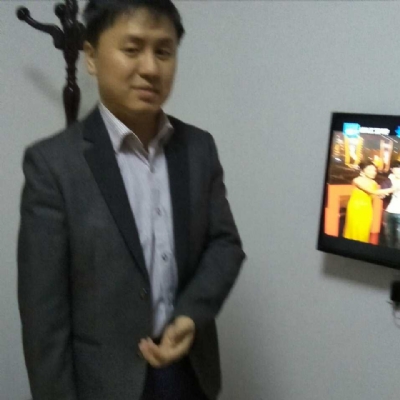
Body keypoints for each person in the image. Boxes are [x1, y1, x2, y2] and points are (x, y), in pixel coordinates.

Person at [17, 1, 245, 399]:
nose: (151, 68)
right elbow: (43, 319)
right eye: (132, 48)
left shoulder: (199, 148)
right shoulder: (52, 165)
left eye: (164, 51)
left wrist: (191, 314)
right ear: (91, 56)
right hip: (101, 383)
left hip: (187, 369)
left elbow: (224, 245)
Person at [343, 161, 395, 243]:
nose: (373, 172)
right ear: (362, 170)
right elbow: (371, 191)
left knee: (364, 229)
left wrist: (381, 195)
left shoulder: (374, 182)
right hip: (356, 208)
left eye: (374, 170)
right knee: (355, 228)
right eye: (370, 170)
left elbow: (374, 195)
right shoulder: (357, 180)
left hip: (367, 208)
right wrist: (392, 189)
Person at [382, 161, 400, 248]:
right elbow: (382, 194)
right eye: (397, 170)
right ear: (392, 170)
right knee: (389, 236)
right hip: (389, 212)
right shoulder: (388, 180)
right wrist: (385, 193)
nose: (399, 172)